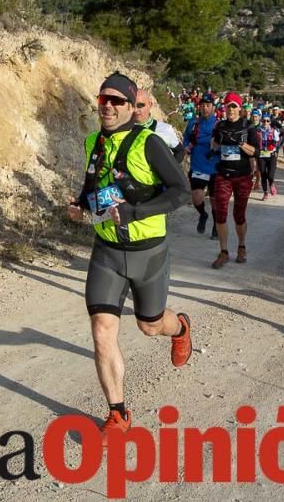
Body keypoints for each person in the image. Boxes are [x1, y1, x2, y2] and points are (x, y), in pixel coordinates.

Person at [67, 72, 192, 443]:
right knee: (102, 330)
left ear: (129, 106)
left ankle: (181, 327)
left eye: (116, 101)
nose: (107, 106)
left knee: (150, 326)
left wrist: (138, 213)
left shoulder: (149, 143)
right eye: (102, 99)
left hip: (147, 251)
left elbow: (181, 192)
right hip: (106, 251)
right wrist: (80, 206)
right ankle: (118, 412)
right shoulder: (92, 141)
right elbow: (93, 189)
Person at [209, 92, 261, 268]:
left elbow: (256, 152)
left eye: (234, 106)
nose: (230, 109)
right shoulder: (220, 126)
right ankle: (223, 252)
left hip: (242, 176)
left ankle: (241, 247)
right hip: (223, 175)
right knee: (220, 213)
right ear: (224, 107)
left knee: (239, 215)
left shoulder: (249, 126)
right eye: (228, 106)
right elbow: (215, 144)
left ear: (239, 108)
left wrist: (240, 143)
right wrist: (212, 146)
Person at [183, 94, 219, 238]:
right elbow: (186, 138)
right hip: (198, 165)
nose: (204, 108)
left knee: (216, 201)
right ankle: (203, 215)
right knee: (197, 198)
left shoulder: (218, 124)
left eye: (208, 105)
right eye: (202, 105)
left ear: (213, 108)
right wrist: (186, 147)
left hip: (216, 168)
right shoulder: (193, 123)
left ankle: (216, 226)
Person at [133, 89, 186, 163]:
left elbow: (180, 151)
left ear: (150, 105)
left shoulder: (164, 129)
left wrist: (167, 169)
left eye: (140, 105)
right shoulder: (122, 128)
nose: (135, 110)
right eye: (132, 105)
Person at [257, 114, 280, 199]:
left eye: (267, 121)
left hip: (271, 155)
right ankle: (265, 193)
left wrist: (274, 143)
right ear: (261, 121)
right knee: (263, 174)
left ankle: (271, 184)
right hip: (262, 155)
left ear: (270, 122)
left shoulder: (274, 131)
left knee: (270, 175)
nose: (265, 122)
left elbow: (277, 142)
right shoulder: (258, 131)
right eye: (264, 121)